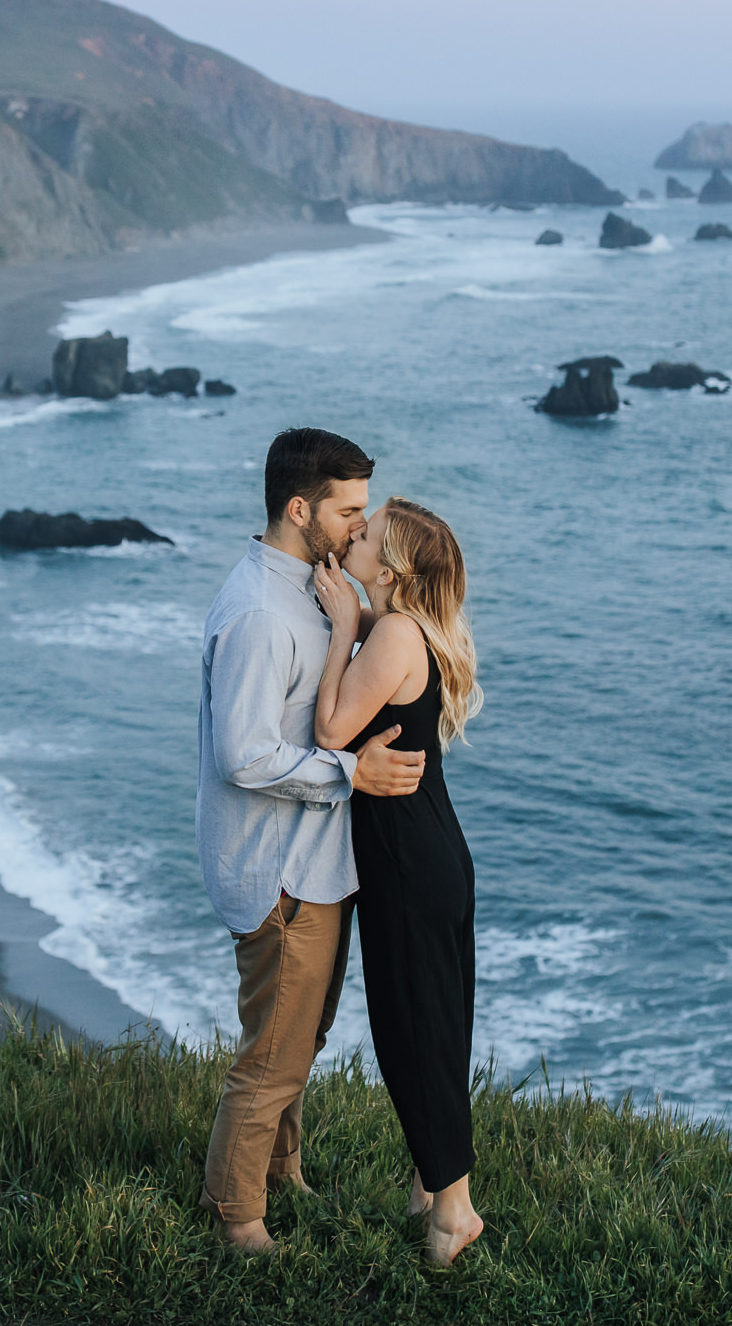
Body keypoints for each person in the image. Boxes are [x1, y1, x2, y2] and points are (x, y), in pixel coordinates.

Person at [196, 427, 426, 1256]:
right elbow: (244, 754)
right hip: (279, 868)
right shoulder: (261, 611)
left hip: (316, 865)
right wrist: (348, 774)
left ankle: (280, 1174)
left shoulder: (314, 588)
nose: (362, 530)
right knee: (271, 1058)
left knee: (302, 1038)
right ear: (300, 509)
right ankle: (237, 1218)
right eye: (350, 513)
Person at [312, 496, 486, 1267]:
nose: (354, 530)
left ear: (387, 570)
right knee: (438, 1028)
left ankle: (454, 1212)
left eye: (369, 530)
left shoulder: (392, 633)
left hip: (410, 861)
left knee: (413, 1033)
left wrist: (346, 626)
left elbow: (329, 732)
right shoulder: (416, 634)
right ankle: (430, 1186)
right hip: (434, 848)